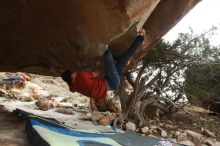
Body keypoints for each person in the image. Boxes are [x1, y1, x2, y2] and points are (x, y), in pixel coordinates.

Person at [61, 28, 145, 100]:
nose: (74, 72)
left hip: (111, 85)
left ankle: (139, 38)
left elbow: (71, 88)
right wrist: (99, 63)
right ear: (71, 75)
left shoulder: (74, 87)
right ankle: (140, 38)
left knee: (123, 59)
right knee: (107, 52)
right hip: (112, 80)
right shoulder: (80, 76)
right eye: (73, 72)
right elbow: (98, 73)